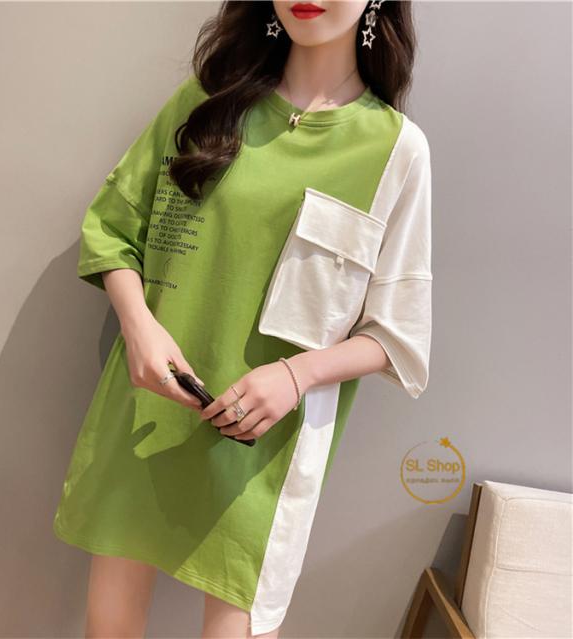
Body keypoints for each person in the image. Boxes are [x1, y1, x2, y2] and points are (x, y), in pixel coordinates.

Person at [52, 1, 433, 637]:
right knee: (109, 624)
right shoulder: (208, 103)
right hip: (147, 411)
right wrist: (139, 326)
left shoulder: (396, 150)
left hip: (265, 446)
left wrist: (296, 375)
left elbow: (398, 334)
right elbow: (114, 227)